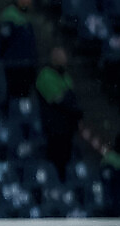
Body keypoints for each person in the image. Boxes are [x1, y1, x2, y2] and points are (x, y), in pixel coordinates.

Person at [37, 47, 82, 181]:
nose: (64, 61)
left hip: (67, 126)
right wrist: (72, 107)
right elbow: (56, 99)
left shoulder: (65, 76)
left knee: (66, 156)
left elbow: (70, 97)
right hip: (54, 124)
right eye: (61, 58)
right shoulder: (45, 75)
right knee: (55, 157)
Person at [0, 0, 39, 111]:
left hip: (26, 63)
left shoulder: (25, 16)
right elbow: (4, 40)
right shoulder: (9, 15)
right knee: (14, 96)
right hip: (15, 64)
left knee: (25, 97)